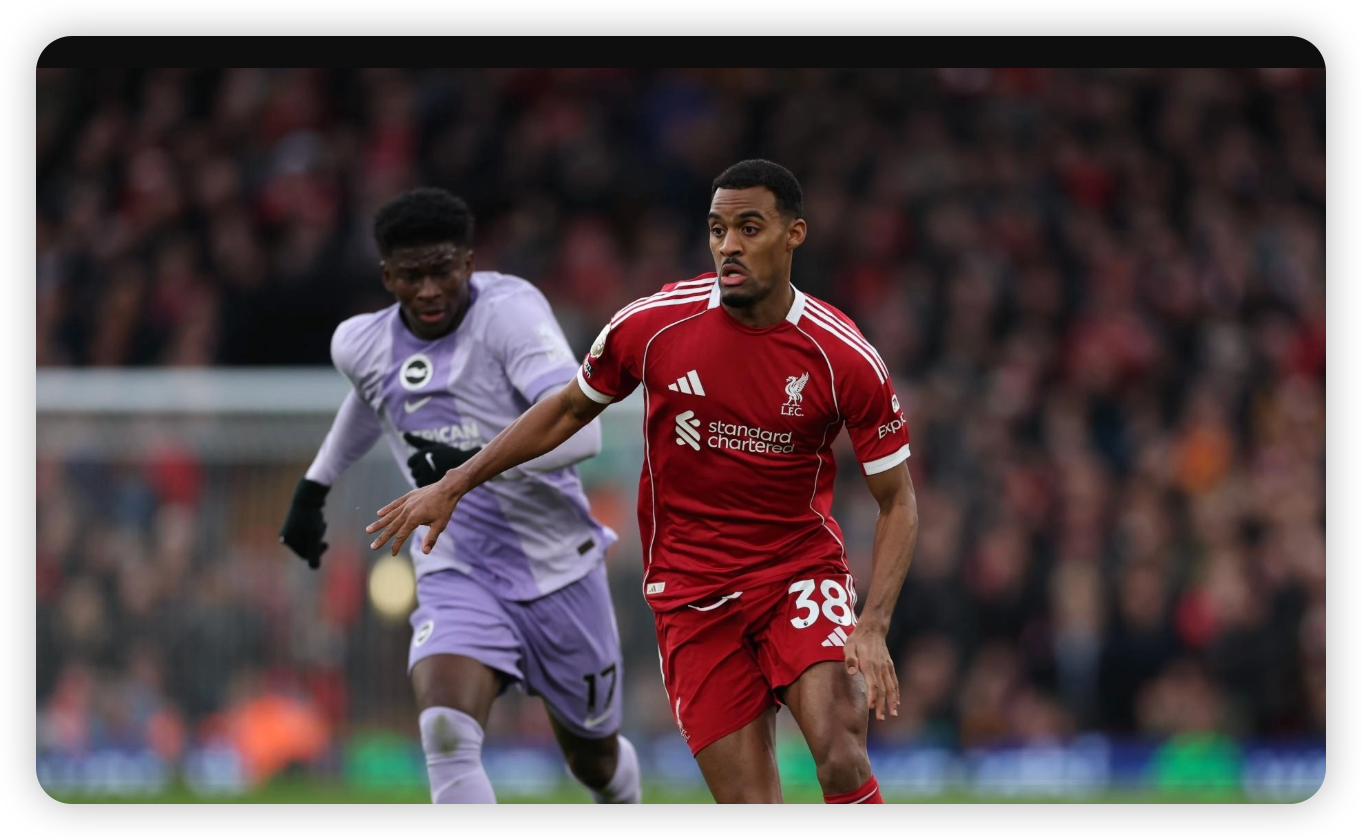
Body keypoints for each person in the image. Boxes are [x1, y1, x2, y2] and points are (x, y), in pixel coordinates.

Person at [367, 160, 919, 805]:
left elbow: (898, 500)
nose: (729, 246)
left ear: (794, 234)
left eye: (749, 227)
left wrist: (873, 623)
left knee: (840, 752)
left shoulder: (841, 355)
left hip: (797, 574)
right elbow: (570, 408)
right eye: (717, 230)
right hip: (690, 595)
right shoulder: (652, 325)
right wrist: (455, 483)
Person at [279, 187, 640, 805]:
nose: (428, 290)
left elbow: (582, 433)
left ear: (468, 262)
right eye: (411, 275)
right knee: (445, 730)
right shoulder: (360, 344)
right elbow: (372, 399)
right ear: (388, 275)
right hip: (458, 565)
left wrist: (459, 473)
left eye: (442, 270)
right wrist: (314, 487)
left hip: (559, 567)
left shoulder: (511, 314)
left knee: (593, 759)